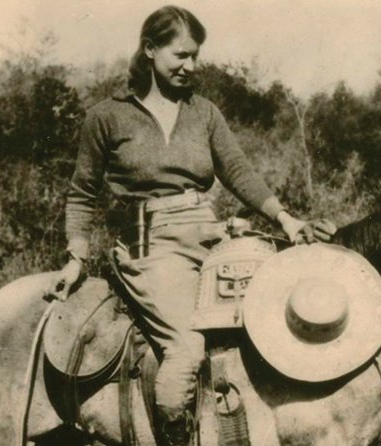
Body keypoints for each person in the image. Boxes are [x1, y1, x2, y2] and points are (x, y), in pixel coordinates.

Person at [49, 6, 321, 445]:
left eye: (195, 56)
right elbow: (82, 193)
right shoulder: (107, 116)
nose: (190, 66)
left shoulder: (205, 113)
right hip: (146, 242)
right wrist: (76, 258)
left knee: (270, 320)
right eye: (180, 55)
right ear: (150, 49)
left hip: (208, 232)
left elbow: (238, 171)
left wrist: (284, 218)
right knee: (186, 347)